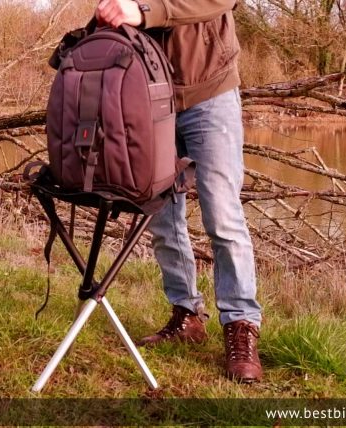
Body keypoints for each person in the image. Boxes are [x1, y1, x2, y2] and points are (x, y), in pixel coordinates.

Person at [95, 0, 262, 382]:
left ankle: (241, 325)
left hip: (211, 92)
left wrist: (144, 9)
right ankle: (186, 314)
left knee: (222, 214)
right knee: (162, 216)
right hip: (149, 98)